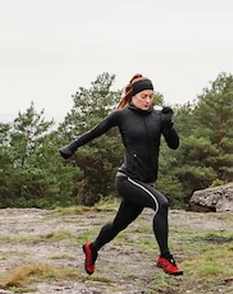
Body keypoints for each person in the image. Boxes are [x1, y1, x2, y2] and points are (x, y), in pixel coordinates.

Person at [59, 73, 183, 275]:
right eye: (143, 96)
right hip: (127, 179)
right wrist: (71, 147)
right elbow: (94, 132)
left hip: (146, 182)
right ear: (133, 96)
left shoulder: (157, 117)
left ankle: (92, 248)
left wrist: (168, 125)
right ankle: (165, 257)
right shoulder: (121, 116)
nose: (148, 101)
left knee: (118, 224)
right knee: (161, 204)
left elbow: (174, 145)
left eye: (151, 96)